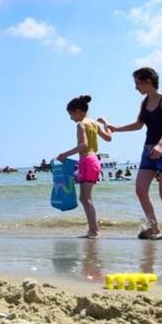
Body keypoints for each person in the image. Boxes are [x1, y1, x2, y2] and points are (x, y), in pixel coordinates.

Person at [102, 67, 162, 240]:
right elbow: (138, 125)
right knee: (141, 190)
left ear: (148, 82)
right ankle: (154, 227)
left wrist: (160, 145)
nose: (136, 87)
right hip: (147, 151)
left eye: (137, 83)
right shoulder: (143, 102)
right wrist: (116, 128)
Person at [56, 95, 113, 238]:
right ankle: (92, 229)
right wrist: (106, 123)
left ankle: (94, 231)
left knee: (85, 198)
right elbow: (109, 138)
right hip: (94, 161)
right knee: (86, 198)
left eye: (71, 114)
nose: (71, 118)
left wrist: (64, 154)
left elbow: (83, 145)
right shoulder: (94, 123)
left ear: (77, 111)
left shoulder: (81, 124)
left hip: (87, 161)